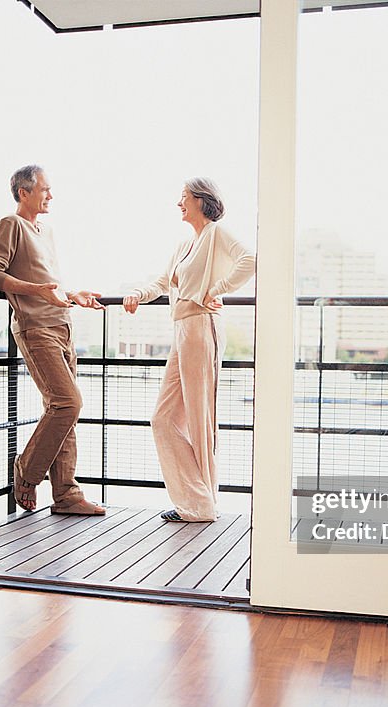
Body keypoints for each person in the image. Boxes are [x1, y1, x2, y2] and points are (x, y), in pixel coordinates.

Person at [124, 178, 255, 522]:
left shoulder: (216, 233)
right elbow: (163, 282)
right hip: (183, 329)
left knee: (200, 419)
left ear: (200, 200)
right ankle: (196, 500)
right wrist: (138, 293)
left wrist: (218, 288)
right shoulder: (185, 245)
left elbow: (250, 260)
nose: (178, 203)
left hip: (202, 327)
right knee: (163, 419)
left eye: (183, 198)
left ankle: (201, 505)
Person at [0, 165, 106, 516]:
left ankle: (66, 495)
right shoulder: (10, 224)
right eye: (45, 189)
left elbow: (46, 282)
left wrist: (72, 294)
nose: (51, 195)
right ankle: (26, 471)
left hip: (62, 324)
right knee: (68, 403)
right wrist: (37, 292)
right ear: (24, 192)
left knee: (63, 412)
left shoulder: (45, 231)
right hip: (35, 327)